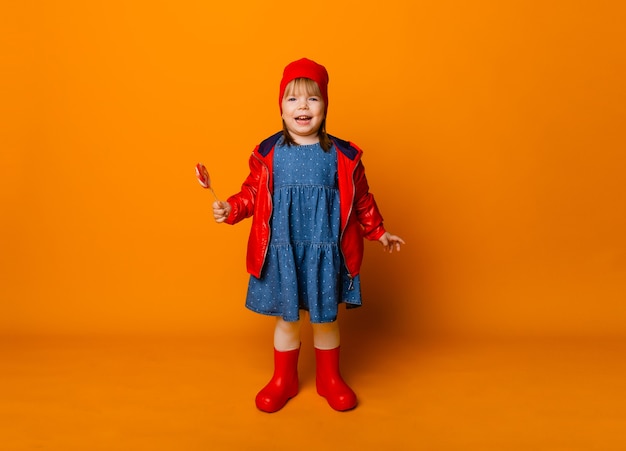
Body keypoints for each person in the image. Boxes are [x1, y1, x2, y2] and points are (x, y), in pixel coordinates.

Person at [212, 58, 404, 412]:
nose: (303, 106)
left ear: (325, 106)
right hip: (284, 250)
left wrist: (379, 232)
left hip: (324, 251)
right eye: (293, 99)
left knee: (326, 320)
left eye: (313, 99)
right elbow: (252, 194)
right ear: (281, 109)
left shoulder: (343, 156)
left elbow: (361, 200)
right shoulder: (269, 153)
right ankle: (282, 380)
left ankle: (330, 379)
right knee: (288, 321)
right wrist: (231, 209)